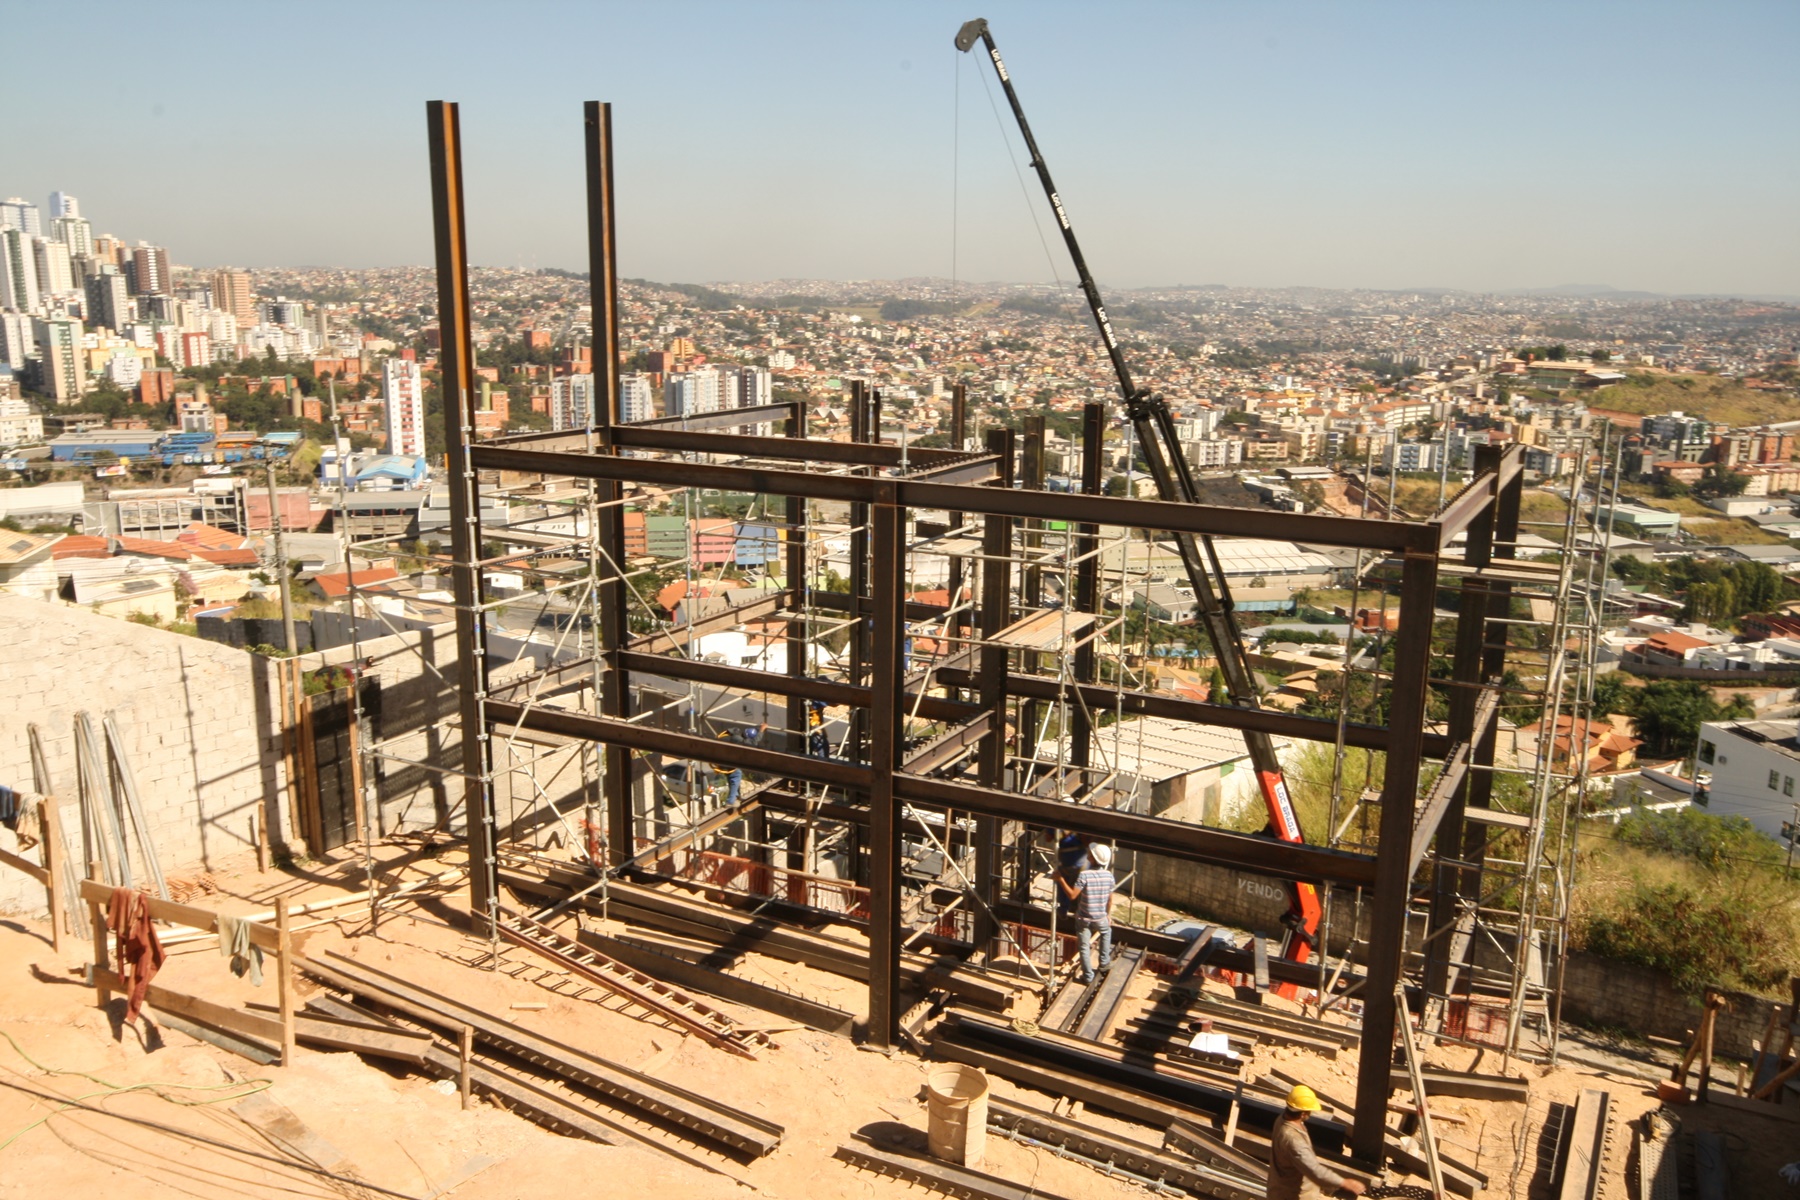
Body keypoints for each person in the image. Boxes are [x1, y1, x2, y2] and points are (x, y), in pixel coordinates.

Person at [1267, 1085, 1364, 1200]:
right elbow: (1314, 1170)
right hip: (1294, 1195)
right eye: (1309, 1111)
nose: (1310, 1113)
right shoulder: (1294, 1140)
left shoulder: (1282, 1119)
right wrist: (1344, 1182)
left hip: (1280, 1189)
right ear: (1302, 1114)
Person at [1058, 841, 1114, 984]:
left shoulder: (1085, 876)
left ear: (1094, 859)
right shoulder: (1109, 876)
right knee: (1106, 932)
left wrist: (1060, 880)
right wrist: (1108, 915)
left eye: (1090, 854)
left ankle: (1088, 977)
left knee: (1083, 947)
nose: (1088, 855)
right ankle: (1104, 963)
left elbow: (1072, 896)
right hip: (1100, 917)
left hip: (1083, 918)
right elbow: (1109, 899)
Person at [710, 722, 767, 806]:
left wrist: (759, 728)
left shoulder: (734, 736)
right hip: (731, 764)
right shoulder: (743, 742)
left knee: (732, 778)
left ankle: (737, 796)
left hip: (723, 762)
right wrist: (761, 730)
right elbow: (754, 741)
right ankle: (730, 801)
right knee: (736, 776)